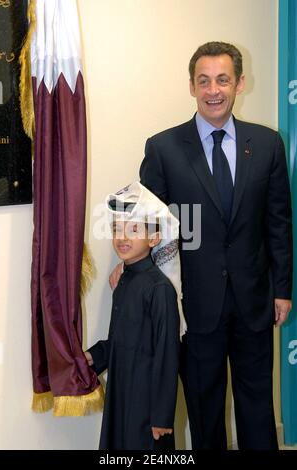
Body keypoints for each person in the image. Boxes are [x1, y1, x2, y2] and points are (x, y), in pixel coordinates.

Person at [111, 42, 293, 450]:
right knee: (204, 413)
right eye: (204, 80)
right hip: (193, 306)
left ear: (239, 83)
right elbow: (146, 218)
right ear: (192, 86)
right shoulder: (163, 148)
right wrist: (128, 263)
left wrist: (282, 289)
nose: (214, 90)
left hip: (254, 302)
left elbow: (278, 222)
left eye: (223, 79)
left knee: (257, 408)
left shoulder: (267, 144)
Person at [85, 182, 180, 450]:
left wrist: (162, 415)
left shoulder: (160, 289)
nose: (122, 237)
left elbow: (167, 354)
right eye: (117, 228)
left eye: (134, 229)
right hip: (121, 390)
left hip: (147, 404)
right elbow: (118, 340)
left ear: (154, 238)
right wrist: (90, 357)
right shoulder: (123, 281)